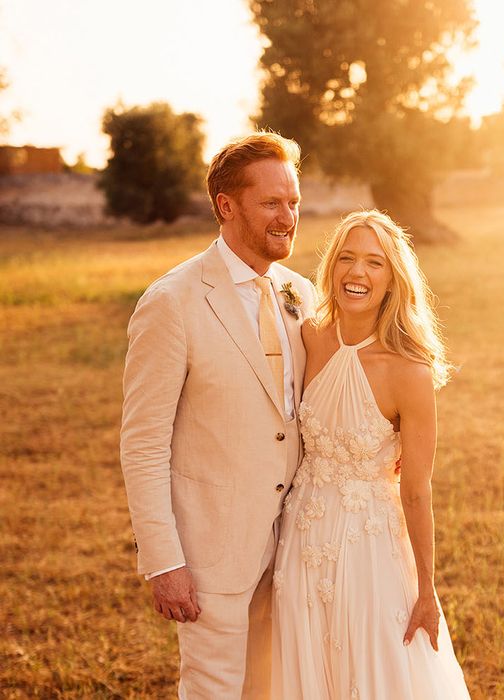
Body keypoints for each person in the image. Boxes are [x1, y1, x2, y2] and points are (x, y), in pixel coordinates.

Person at [120, 131, 316, 699]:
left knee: (277, 687)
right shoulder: (172, 301)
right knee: (214, 690)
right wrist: (164, 562)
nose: (289, 217)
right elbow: (143, 443)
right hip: (212, 551)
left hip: (295, 547)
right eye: (273, 203)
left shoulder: (299, 292)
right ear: (226, 206)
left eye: (294, 202)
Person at [272, 210, 471, 698]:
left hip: (371, 547)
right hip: (302, 539)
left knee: (374, 667)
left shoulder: (410, 373)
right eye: (347, 258)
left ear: (392, 280)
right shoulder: (308, 337)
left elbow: (417, 490)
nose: (357, 273)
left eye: (374, 263)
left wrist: (426, 589)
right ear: (331, 268)